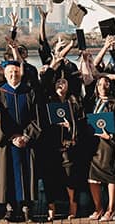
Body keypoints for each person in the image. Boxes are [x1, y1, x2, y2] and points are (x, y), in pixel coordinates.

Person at [0, 60, 43, 222]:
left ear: (21, 73)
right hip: (7, 143)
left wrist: (26, 136)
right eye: (10, 72)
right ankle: (10, 208)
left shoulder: (30, 92)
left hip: (27, 142)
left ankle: (27, 207)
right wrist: (11, 137)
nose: (13, 74)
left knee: (28, 173)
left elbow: (37, 118)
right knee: (7, 174)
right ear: (5, 74)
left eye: (16, 72)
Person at [38, 76, 85, 221]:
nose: (60, 84)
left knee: (71, 177)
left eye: (63, 82)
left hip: (69, 146)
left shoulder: (74, 101)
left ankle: (73, 203)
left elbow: (82, 121)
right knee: (50, 177)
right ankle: (51, 207)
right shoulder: (48, 101)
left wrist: (71, 126)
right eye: (58, 82)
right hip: (50, 145)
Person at [85, 75, 115, 222]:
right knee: (92, 178)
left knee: (110, 177)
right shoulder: (91, 102)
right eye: (100, 84)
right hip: (93, 144)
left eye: (106, 84)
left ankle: (111, 210)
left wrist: (111, 137)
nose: (103, 86)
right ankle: (98, 208)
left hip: (108, 145)